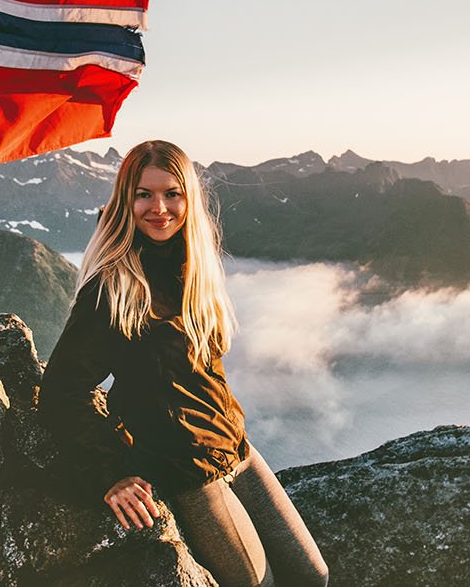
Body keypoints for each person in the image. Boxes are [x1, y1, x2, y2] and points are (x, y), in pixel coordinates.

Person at [39, 140, 329, 587]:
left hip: (235, 445)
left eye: (172, 193)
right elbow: (62, 389)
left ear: (188, 199)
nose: (159, 208)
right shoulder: (113, 288)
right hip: (185, 466)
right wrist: (111, 474)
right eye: (144, 194)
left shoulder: (195, 266)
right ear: (125, 201)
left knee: (312, 574)